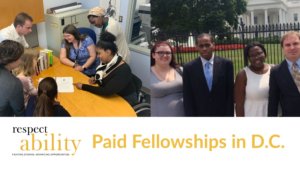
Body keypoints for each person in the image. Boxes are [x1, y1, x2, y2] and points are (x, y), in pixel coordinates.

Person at [74, 32, 138, 106]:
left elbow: (105, 91)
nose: (97, 56)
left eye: (99, 53)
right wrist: (96, 79)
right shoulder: (108, 62)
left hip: (125, 100)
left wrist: (83, 86)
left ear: (108, 52)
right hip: (113, 95)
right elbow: (106, 76)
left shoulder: (123, 70)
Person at [183, 33, 234, 116]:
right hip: (199, 115)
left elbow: (230, 94)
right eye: (201, 46)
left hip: (222, 114)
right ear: (196, 47)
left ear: (213, 45)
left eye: (207, 45)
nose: (204, 48)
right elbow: (188, 96)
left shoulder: (226, 64)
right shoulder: (189, 68)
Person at [234, 42, 271, 116]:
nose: (257, 57)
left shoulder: (273, 70)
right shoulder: (243, 75)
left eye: (259, 53)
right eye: (252, 55)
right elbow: (239, 105)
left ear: (265, 53)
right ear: (248, 58)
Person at [268, 31, 300, 116]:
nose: (292, 47)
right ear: (283, 48)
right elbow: (273, 101)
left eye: (296, 43)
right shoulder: (276, 72)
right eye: (288, 45)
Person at [150, 41, 184, 116]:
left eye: (168, 53)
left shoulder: (181, 70)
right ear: (153, 55)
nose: (165, 55)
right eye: (160, 53)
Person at [0, 40, 25, 116]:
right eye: (20, 58)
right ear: (11, 60)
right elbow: (20, 112)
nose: (21, 60)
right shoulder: (14, 84)